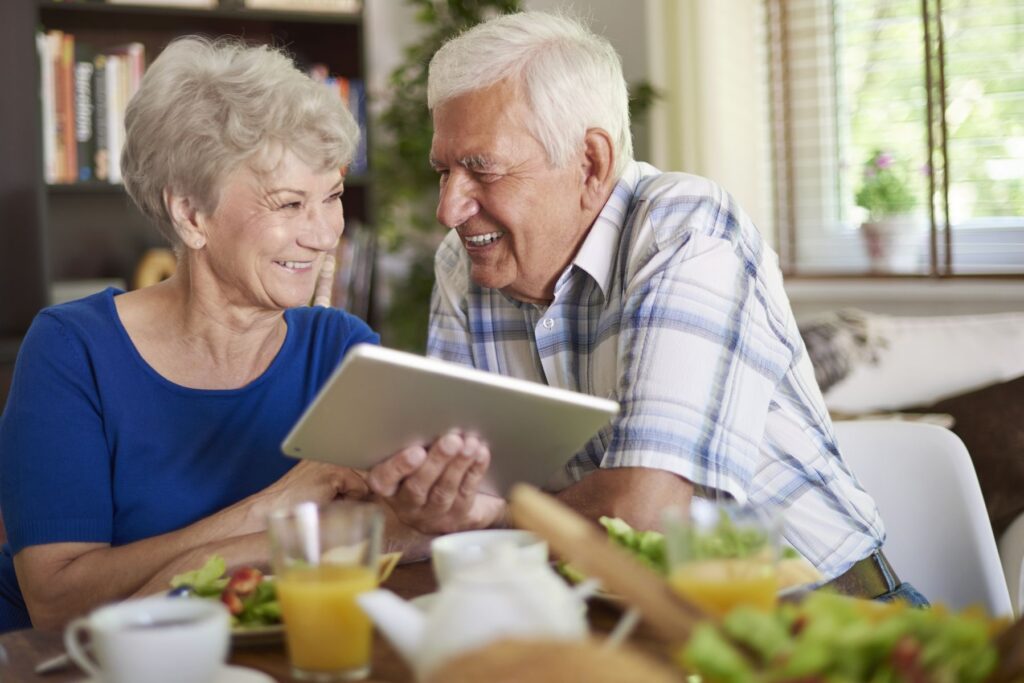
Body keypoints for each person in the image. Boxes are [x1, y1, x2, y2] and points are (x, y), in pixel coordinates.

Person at [366, 11, 926, 605]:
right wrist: (435, 498)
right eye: (443, 171)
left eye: (482, 169)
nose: (449, 209)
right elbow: (450, 495)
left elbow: (644, 511)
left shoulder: (686, 229)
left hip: (828, 617)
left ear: (591, 163)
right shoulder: (466, 262)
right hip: (625, 622)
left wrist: (487, 515)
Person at [0, 36, 483, 632]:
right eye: (288, 204)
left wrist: (215, 556)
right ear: (191, 215)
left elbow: (394, 533)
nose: (324, 234)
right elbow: (56, 602)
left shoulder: (339, 349)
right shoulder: (73, 351)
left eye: (331, 196)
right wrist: (274, 508)